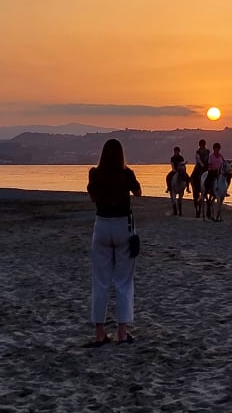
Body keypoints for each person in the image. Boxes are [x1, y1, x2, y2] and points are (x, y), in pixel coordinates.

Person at [87, 138, 142, 346]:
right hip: (123, 227)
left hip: (101, 226)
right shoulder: (126, 173)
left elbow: (92, 197)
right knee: (123, 281)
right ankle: (121, 332)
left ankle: (100, 334)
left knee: (100, 281)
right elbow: (138, 192)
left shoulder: (95, 173)